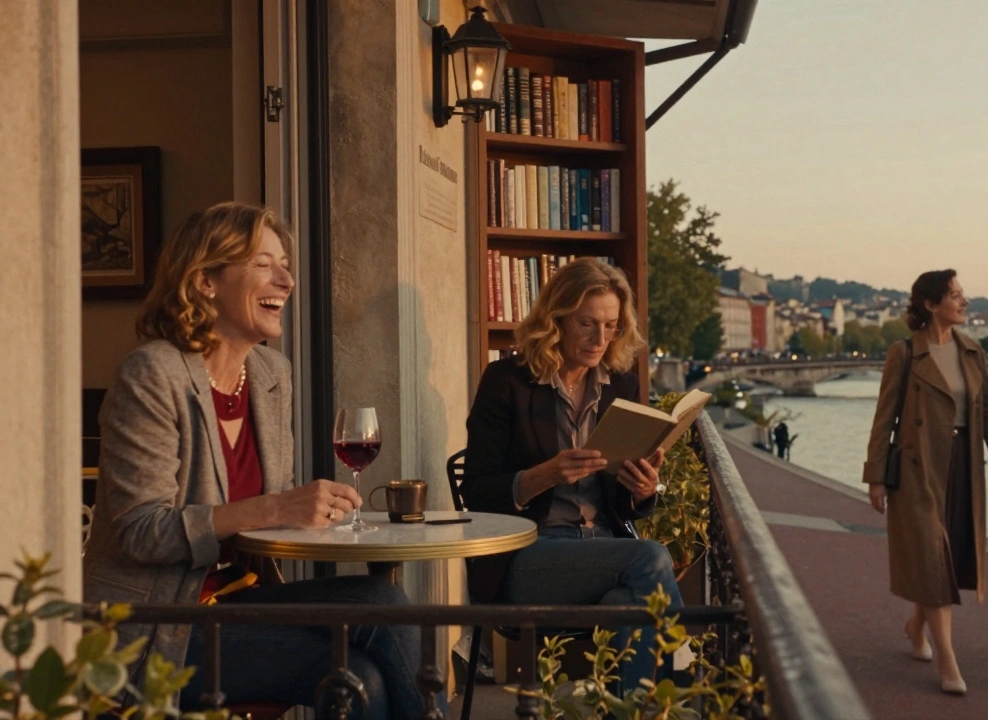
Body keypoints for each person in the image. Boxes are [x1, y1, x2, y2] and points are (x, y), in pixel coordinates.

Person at [82, 202, 426, 718]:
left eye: (284, 265)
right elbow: (142, 531)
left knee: (385, 602)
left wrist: (316, 514)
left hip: (238, 600)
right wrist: (276, 507)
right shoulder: (152, 375)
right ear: (205, 282)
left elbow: (274, 514)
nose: (286, 281)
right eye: (264, 264)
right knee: (355, 676)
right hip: (155, 623)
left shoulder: (269, 373)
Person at [463, 257, 682, 692]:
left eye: (611, 326)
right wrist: (543, 476)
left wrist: (642, 490)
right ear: (556, 319)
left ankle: (631, 710)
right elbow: (476, 491)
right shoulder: (507, 381)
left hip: (604, 553)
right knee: (651, 558)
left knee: (625, 604)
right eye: (587, 324)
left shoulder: (620, 384)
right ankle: (685, 685)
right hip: (526, 555)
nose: (600, 339)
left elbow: (622, 504)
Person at [863, 270, 988, 696]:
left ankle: (916, 625)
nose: (964, 302)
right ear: (930, 304)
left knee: (942, 559)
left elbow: (987, 415)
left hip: (963, 465)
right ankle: (947, 661)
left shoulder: (972, 351)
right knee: (932, 556)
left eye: (962, 294)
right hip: (918, 468)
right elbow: (884, 418)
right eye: (955, 295)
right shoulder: (905, 353)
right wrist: (875, 477)